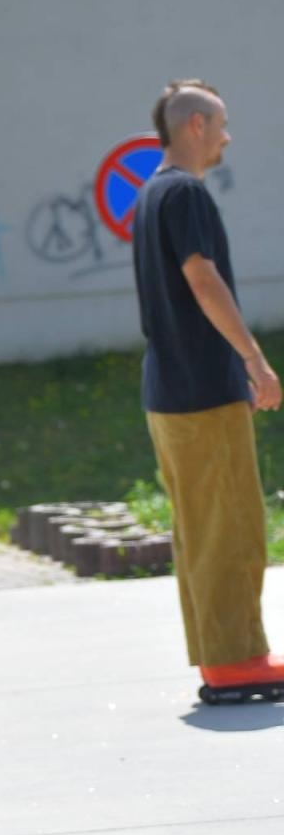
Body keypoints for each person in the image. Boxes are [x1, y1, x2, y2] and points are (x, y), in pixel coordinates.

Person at [132, 79, 284, 702]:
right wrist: (254, 359)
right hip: (202, 388)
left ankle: (220, 659)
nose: (226, 136)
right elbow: (202, 277)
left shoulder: (150, 193)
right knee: (231, 524)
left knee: (199, 528)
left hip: (169, 389)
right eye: (220, 123)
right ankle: (237, 661)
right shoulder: (187, 192)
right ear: (194, 125)